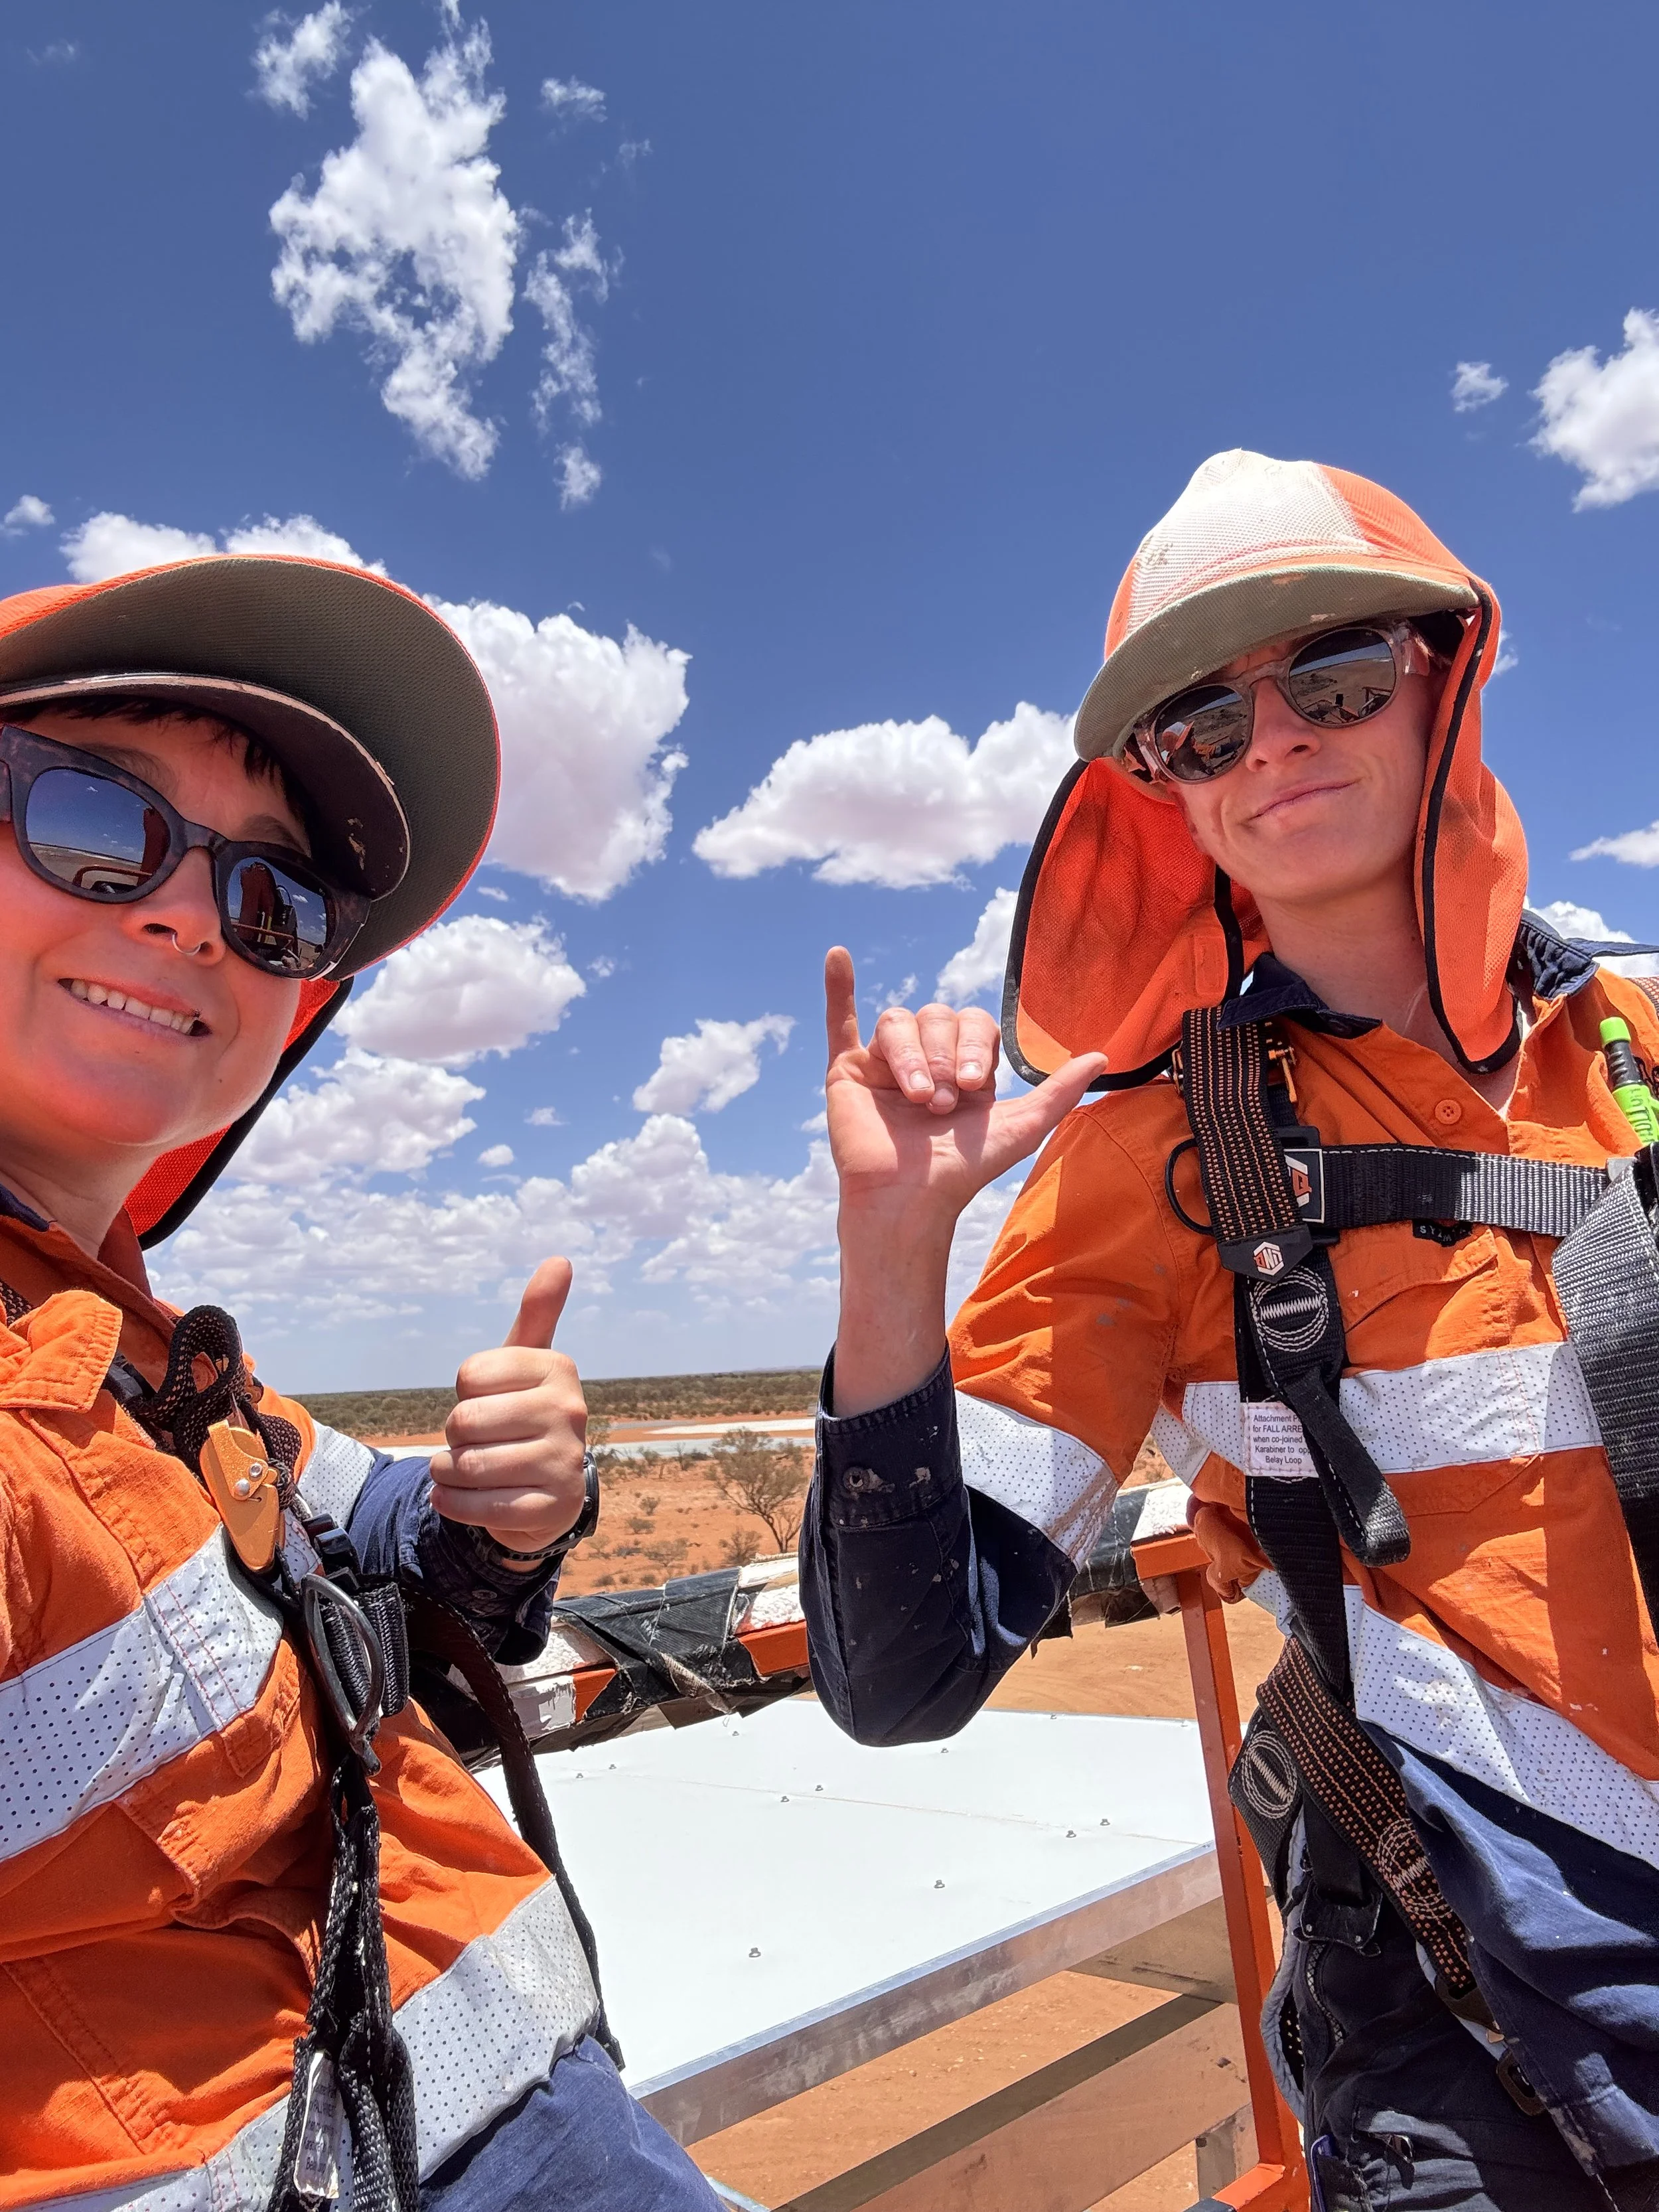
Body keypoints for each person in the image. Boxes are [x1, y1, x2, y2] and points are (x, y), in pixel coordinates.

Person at [802, 449, 1659, 2211]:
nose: (1268, 743)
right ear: (1160, 793)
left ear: (1447, 680)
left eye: (1330, 674)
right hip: (1469, 2011)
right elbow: (902, 1670)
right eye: (1198, 723)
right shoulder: (1148, 1160)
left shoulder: (1636, 1047)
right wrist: (889, 1258)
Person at [0, 552, 722, 2212]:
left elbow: (370, 1527)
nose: (189, 911)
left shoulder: (136, 1359)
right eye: (94, 823)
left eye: (274, 899)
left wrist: (507, 1494)